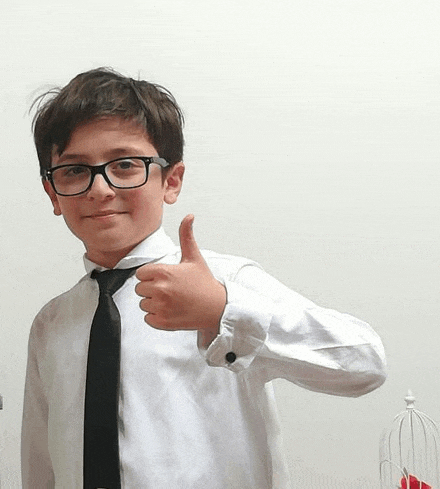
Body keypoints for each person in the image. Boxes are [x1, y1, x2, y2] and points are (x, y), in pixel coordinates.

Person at [21, 67, 387, 488]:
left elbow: (365, 363)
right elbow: (40, 460)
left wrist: (223, 310)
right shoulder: (51, 323)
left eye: (125, 165)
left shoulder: (225, 282)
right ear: (52, 193)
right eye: (73, 170)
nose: (100, 189)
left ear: (171, 181)